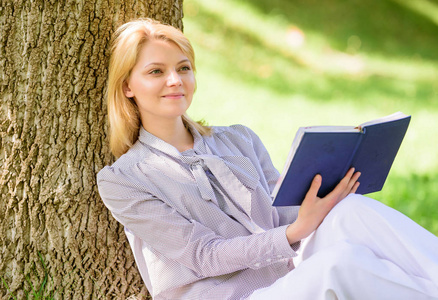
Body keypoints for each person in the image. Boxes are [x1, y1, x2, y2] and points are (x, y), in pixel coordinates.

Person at [97, 18, 438, 300]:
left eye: (183, 68)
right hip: (232, 296)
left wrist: (327, 194)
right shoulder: (123, 179)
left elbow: (283, 210)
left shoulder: (238, 138)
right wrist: (295, 231)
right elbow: (203, 255)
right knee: (339, 264)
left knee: (352, 211)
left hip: (286, 276)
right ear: (128, 85)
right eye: (156, 72)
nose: (175, 81)